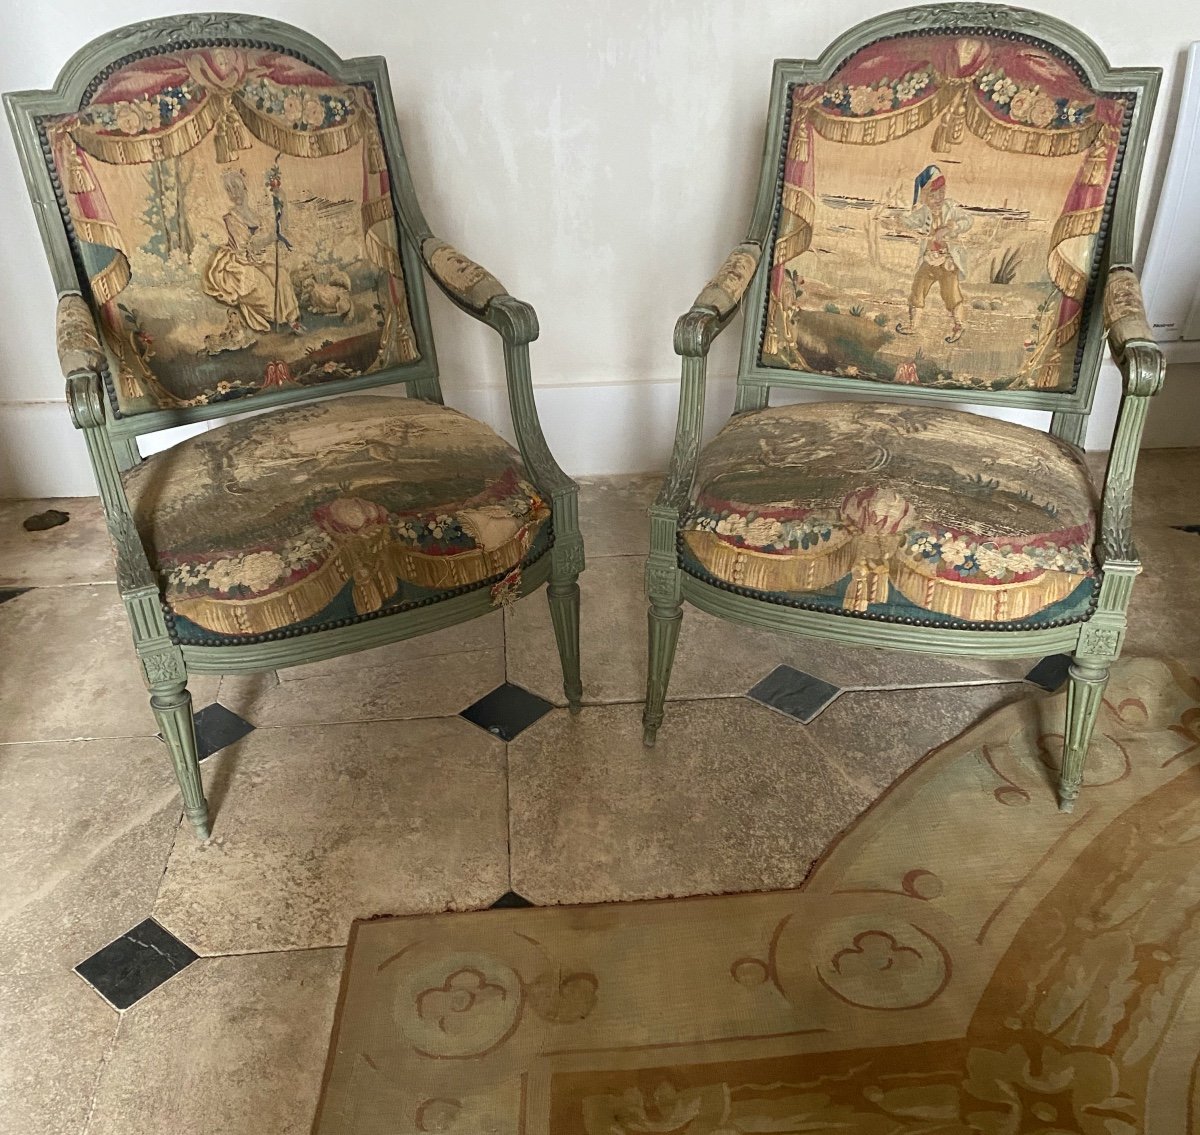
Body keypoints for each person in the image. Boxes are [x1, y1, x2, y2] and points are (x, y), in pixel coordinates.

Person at [203, 168, 301, 334]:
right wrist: (270, 238)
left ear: (244, 186)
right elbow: (245, 246)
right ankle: (276, 317)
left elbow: (277, 232)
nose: (234, 193)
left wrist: (280, 203)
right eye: (229, 189)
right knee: (261, 284)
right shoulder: (231, 217)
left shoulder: (255, 215)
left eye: (236, 187)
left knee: (281, 275)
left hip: (255, 260)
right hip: (237, 263)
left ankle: (292, 320)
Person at [895, 164, 972, 344]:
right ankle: (913, 325)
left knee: (952, 294)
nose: (938, 199)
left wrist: (951, 227)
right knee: (917, 290)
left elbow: (968, 220)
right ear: (925, 197)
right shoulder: (924, 212)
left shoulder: (951, 208)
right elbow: (911, 222)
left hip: (947, 261)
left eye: (941, 193)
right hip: (929, 259)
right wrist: (899, 222)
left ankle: (959, 325)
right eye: (933, 195)